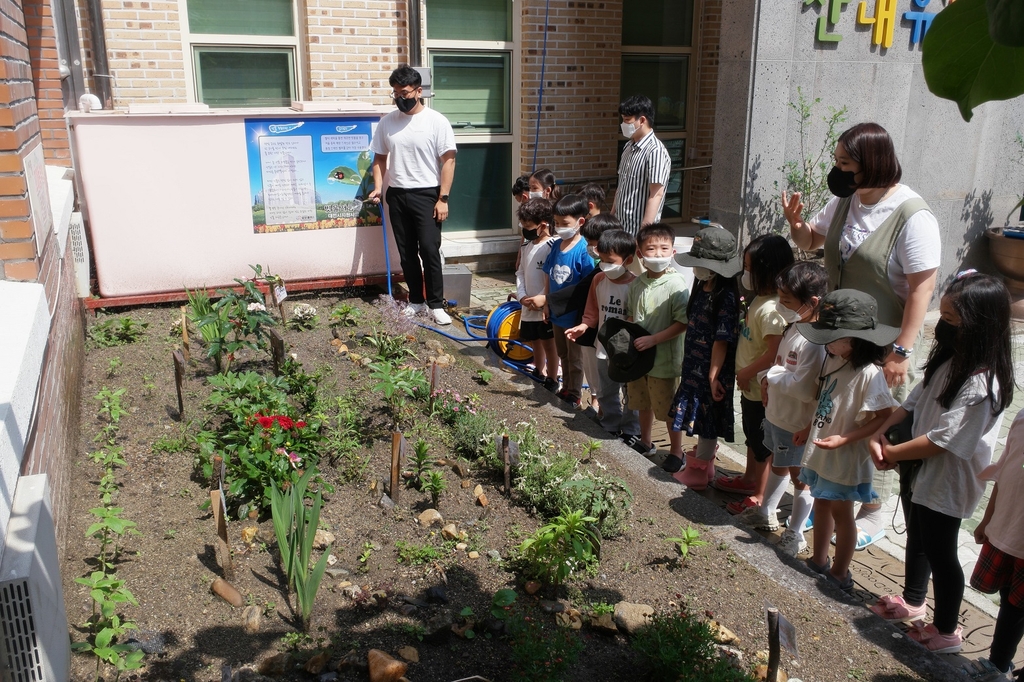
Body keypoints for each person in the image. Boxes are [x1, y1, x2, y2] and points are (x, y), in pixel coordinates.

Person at [783, 121, 940, 549]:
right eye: (836, 161)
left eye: (845, 163)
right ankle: (833, 491)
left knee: (877, 420)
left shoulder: (912, 215)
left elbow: (923, 288)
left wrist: (902, 350)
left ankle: (872, 510)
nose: (838, 171)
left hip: (885, 337)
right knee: (841, 410)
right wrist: (796, 223)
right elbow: (812, 239)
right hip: (843, 332)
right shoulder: (846, 200)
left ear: (871, 163)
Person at [869, 273, 1013, 655]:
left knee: (941, 550)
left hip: (949, 478)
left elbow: (942, 441)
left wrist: (891, 454)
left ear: (979, 324)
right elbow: (913, 401)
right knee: (917, 535)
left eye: (951, 319)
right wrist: (881, 432)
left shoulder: (984, 383)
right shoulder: (950, 359)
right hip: (919, 466)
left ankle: (948, 630)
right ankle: (914, 599)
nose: (942, 325)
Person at [797, 290, 899, 593]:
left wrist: (845, 438)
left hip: (845, 457)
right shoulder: (835, 360)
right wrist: (808, 427)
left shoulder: (870, 374)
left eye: (834, 336)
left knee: (843, 514)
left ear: (855, 340)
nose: (827, 342)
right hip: (824, 450)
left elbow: (884, 416)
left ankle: (840, 572)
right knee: (821, 502)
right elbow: (825, 400)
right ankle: (819, 560)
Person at [750, 262, 828, 555]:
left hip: (797, 422)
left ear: (813, 302)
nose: (780, 306)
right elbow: (780, 367)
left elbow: (804, 387)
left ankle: (795, 532)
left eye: (786, 301)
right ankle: (766, 513)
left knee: (801, 477)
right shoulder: (794, 326)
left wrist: (770, 376)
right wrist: (766, 380)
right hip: (778, 415)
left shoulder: (816, 342)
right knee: (779, 462)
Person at [369, 64, 457, 326]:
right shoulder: (387, 123)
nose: (400, 98)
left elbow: (449, 161)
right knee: (406, 253)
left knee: (429, 250)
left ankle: (435, 304)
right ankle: (416, 301)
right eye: (395, 93)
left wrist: (443, 198)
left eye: (405, 93)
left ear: (419, 91)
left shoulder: (436, 121)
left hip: (427, 194)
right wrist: (378, 187)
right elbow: (379, 159)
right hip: (397, 195)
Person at [714, 235, 793, 514]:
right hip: (750, 387)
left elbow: (774, 353)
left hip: (762, 390)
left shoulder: (772, 309)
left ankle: (760, 495)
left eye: (749, 267)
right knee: (751, 436)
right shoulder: (760, 298)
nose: (744, 273)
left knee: (763, 445)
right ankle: (749, 479)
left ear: (768, 269)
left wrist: (746, 371)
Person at [667, 227, 741, 485]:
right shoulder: (702, 286)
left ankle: (699, 471)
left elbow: (722, 340)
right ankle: (703, 464)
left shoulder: (726, 296)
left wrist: (713, 375)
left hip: (712, 369)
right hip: (694, 366)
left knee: (708, 417)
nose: (698, 269)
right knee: (698, 416)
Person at [967, 406, 1024, 681]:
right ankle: (999, 664)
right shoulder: (1022, 418)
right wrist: (987, 520)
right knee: (1009, 600)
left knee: (1018, 605)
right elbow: (1003, 473)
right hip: (1007, 530)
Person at [566, 228, 640, 438]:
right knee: (606, 389)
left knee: (629, 391)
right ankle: (610, 423)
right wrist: (583, 326)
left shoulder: (635, 285)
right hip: (602, 347)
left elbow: (637, 318)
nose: (605, 265)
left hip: (627, 351)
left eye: (611, 261)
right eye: (603, 259)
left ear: (628, 260)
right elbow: (592, 311)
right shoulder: (599, 280)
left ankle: (631, 429)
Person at [624, 222, 689, 458]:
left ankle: (676, 452)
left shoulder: (677, 285)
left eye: (664, 248)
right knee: (642, 402)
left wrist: (653, 340)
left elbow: (682, 323)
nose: (658, 254)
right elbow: (630, 314)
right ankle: (646, 441)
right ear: (640, 254)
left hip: (664, 361)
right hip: (639, 358)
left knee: (669, 408)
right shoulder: (637, 284)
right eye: (651, 249)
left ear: (673, 252)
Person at [538, 194, 595, 408]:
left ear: (580, 222)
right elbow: (547, 274)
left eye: (565, 224)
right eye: (557, 223)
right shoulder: (555, 247)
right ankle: (565, 387)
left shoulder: (584, 251)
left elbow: (588, 285)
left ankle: (575, 392)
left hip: (574, 315)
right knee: (562, 353)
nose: (560, 227)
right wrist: (546, 303)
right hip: (556, 313)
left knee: (575, 357)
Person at [573, 213, 621, 415]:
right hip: (593, 331)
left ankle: (613, 417)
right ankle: (599, 408)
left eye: (593, 243)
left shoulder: (628, 277)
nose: (591, 249)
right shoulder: (599, 276)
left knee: (615, 382)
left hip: (617, 338)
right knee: (596, 373)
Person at [612, 95, 672, 235]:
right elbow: (621, 186)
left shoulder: (655, 151)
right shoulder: (628, 146)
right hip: (620, 228)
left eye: (627, 120)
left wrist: (644, 233)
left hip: (637, 232)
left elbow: (656, 195)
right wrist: (612, 216)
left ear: (642, 120)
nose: (623, 124)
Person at [515, 198, 558, 391]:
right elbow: (521, 273)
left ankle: (553, 377)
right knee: (535, 341)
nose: (525, 230)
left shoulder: (553, 246)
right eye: (523, 225)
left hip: (543, 306)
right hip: (528, 305)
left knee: (549, 343)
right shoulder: (526, 247)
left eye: (528, 226)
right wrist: (522, 295)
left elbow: (553, 276)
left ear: (543, 225)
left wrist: (542, 298)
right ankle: (538, 370)